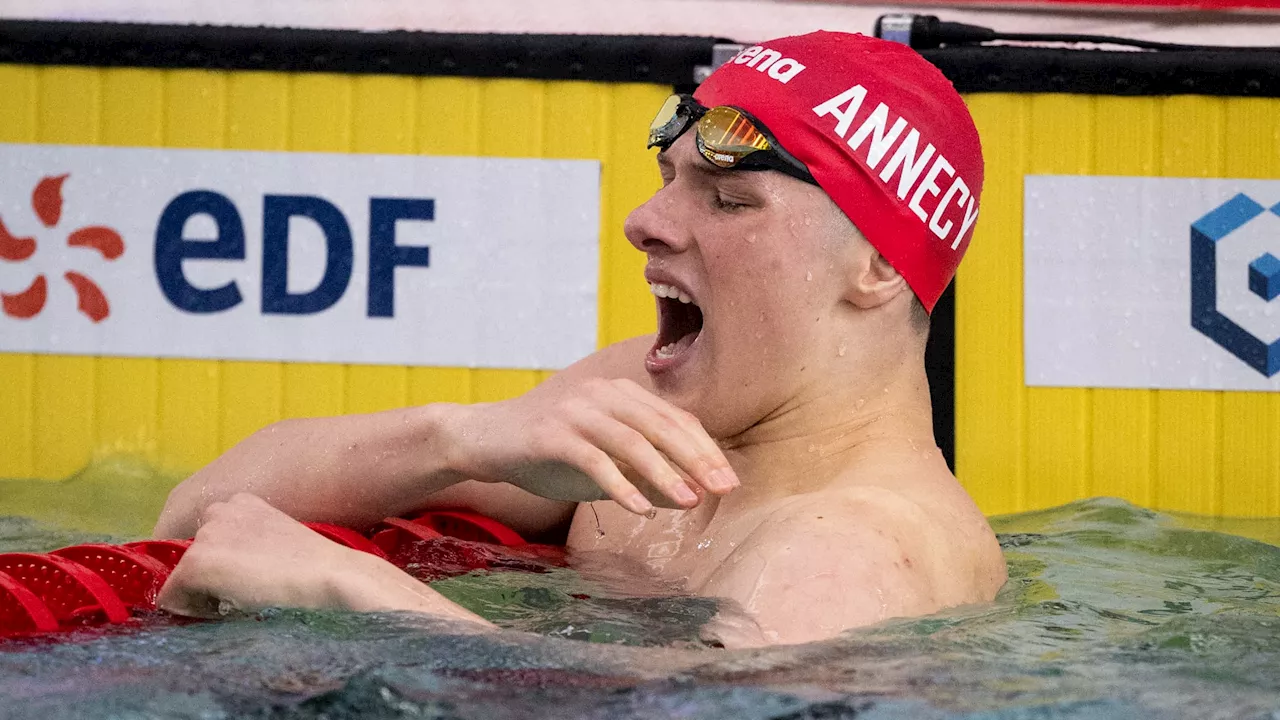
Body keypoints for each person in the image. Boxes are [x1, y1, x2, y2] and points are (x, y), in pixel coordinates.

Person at [152, 30, 1006, 648]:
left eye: (730, 199)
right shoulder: (652, 409)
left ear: (878, 268)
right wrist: (463, 439)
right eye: (668, 180)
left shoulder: (850, 549)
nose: (645, 222)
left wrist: (357, 588)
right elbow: (200, 512)